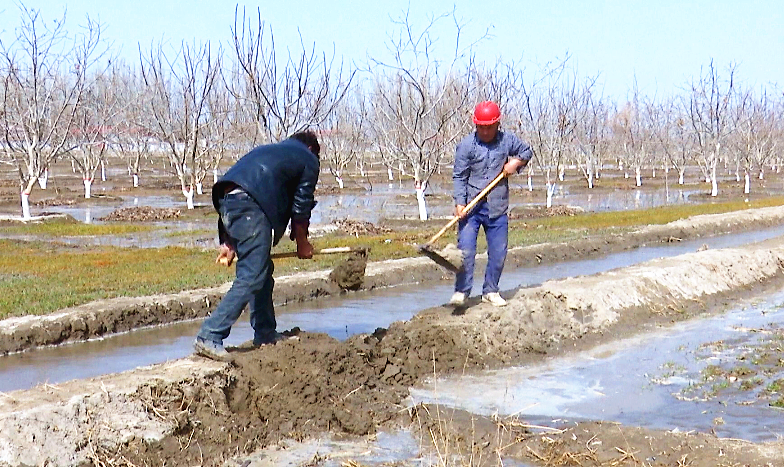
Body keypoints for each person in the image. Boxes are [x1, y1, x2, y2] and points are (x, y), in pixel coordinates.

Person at [193, 130, 320, 361]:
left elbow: (233, 192)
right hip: (250, 207)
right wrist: (302, 242)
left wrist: (229, 241)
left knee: (261, 269)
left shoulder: (274, 151)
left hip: (231, 202)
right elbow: (301, 205)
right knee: (252, 275)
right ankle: (209, 335)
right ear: (312, 149)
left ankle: (265, 332)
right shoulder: (307, 158)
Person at [450, 101, 532, 308]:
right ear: (475, 125)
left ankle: (491, 290)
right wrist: (460, 203)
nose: (485, 131)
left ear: (497, 124)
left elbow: (526, 151)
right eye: (481, 127)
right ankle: (461, 291)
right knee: (465, 252)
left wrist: (516, 163)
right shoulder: (466, 146)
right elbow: (459, 176)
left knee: (498, 252)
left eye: (489, 127)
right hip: (471, 207)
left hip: (497, 207)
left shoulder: (507, 141)